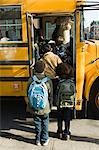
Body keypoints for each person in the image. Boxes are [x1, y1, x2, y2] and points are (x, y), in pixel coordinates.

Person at [27, 60, 53, 146]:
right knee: (45, 122)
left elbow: (28, 92)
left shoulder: (31, 79)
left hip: (34, 106)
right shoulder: (47, 80)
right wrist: (50, 105)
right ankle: (44, 140)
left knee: (37, 123)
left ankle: (37, 139)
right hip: (45, 106)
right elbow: (50, 94)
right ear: (44, 69)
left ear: (34, 69)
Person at [55, 63, 75, 140]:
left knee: (59, 118)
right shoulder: (71, 83)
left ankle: (59, 131)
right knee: (67, 118)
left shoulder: (60, 83)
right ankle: (66, 132)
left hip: (60, 103)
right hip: (69, 104)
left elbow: (57, 94)